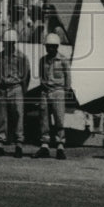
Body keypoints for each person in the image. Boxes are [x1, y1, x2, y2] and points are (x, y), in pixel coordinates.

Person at [0, 28, 30, 159]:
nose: (7, 45)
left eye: (9, 43)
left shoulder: (22, 57)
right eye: (5, 43)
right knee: (1, 116)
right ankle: (0, 143)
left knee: (18, 116)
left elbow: (26, 76)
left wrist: (22, 91)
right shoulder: (0, 56)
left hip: (16, 87)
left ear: (14, 43)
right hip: (3, 88)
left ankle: (19, 144)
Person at [35, 32, 71, 160]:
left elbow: (68, 78)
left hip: (58, 91)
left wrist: (65, 93)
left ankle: (60, 146)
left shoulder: (63, 60)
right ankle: (44, 145)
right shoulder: (42, 60)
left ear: (57, 47)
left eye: (52, 46)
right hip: (45, 91)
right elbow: (41, 76)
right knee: (44, 118)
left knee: (59, 118)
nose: (50, 48)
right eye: (48, 46)